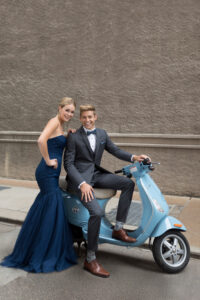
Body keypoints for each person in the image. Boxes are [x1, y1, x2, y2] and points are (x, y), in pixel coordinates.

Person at [64, 104, 150, 278]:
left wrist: (134, 157)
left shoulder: (102, 134)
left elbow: (115, 150)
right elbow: (69, 164)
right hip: (80, 180)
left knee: (128, 184)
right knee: (96, 212)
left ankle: (118, 228)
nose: (87, 120)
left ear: (95, 117)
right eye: (84, 117)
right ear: (80, 119)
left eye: (90, 117)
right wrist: (81, 183)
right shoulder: (74, 137)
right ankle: (90, 258)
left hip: (96, 175)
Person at [0, 97, 77, 273]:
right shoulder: (53, 121)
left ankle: (38, 247)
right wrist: (48, 160)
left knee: (47, 209)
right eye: (67, 110)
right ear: (59, 108)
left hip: (50, 173)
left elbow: (53, 140)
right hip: (47, 171)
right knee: (53, 206)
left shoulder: (59, 125)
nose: (69, 114)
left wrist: (67, 134)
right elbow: (41, 140)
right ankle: (42, 252)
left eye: (72, 112)